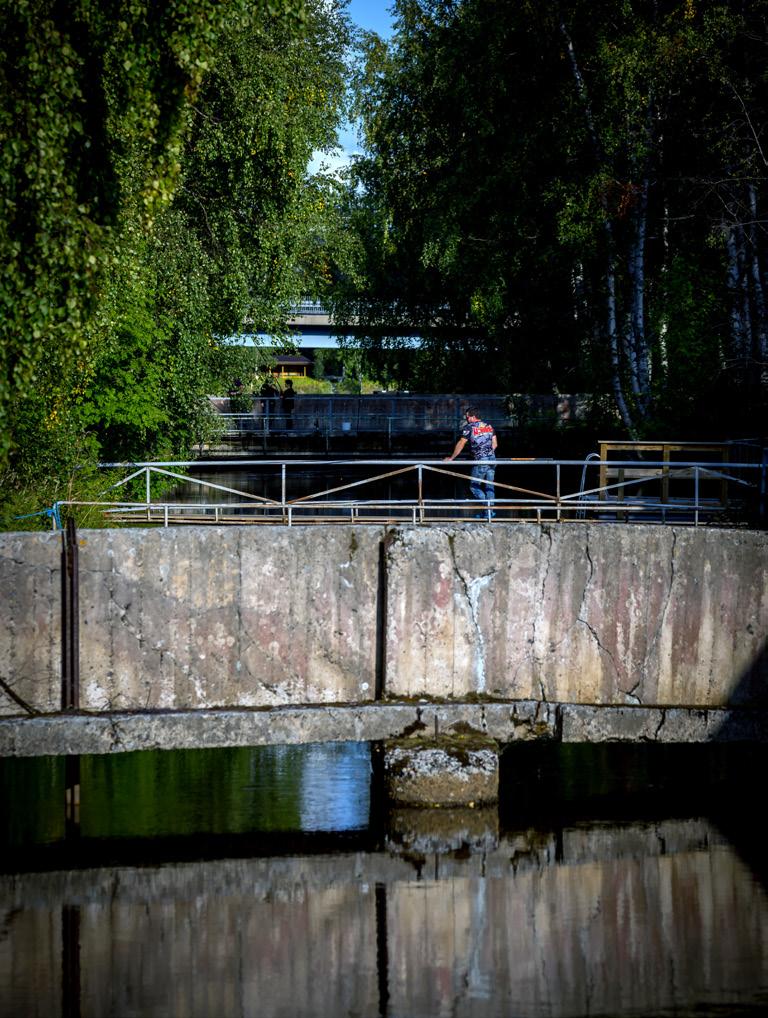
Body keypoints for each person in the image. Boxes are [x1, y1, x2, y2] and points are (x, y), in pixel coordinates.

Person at [444, 407, 498, 516]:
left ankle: (488, 510)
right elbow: (495, 444)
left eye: (467, 417)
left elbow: (461, 443)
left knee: (474, 487)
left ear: (473, 417)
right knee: (489, 486)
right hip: (492, 459)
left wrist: (451, 458)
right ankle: (489, 513)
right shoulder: (489, 426)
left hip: (481, 461)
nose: (467, 419)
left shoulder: (469, 427)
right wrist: (488, 454)